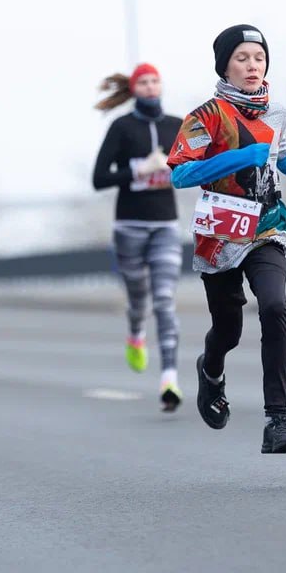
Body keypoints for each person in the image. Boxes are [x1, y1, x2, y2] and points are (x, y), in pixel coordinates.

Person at [167, 24, 286, 453]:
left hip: (268, 227)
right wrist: (238, 157)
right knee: (229, 330)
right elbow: (180, 172)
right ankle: (211, 370)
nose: (252, 65)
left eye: (258, 58)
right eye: (242, 58)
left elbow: (284, 154)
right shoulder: (205, 117)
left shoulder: (275, 113)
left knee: (274, 306)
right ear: (225, 66)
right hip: (220, 233)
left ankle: (277, 422)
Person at [92, 63, 185, 411]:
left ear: (161, 86)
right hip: (129, 226)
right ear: (134, 89)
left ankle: (170, 379)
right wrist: (138, 169)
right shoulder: (121, 127)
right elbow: (99, 178)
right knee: (139, 299)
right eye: (143, 82)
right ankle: (135, 332)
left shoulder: (176, 126)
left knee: (164, 300)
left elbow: (194, 169)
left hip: (165, 225)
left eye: (154, 81)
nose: (149, 87)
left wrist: (173, 168)